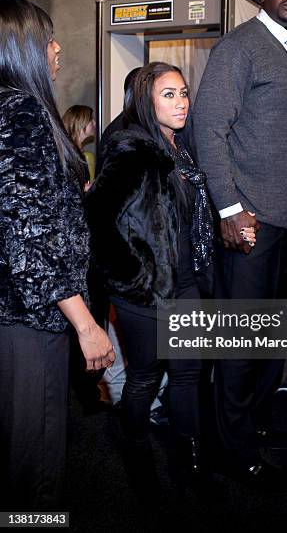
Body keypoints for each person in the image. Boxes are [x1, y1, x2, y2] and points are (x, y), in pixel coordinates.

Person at [85, 62, 239, 489]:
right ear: (146, 102)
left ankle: (190, 465)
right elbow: (96, 219)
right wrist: (133, 276)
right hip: (145, 293)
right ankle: (139, 460)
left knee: (189, 374)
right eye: (169, 94)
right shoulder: (132, 147)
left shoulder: (179, 146)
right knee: (145, 378)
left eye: (184, 93)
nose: (182, 102)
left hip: (186, 283)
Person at [193, 0, 287, 486]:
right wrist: (228, 206)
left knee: (272, 342)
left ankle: (255, 427)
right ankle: (231, 448)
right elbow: (207, 125)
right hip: (252, 225)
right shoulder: (241, 47)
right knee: (241, 345)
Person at [0, 0, 115, 511]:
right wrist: (86, 324)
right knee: (36, 468)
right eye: (47, 39)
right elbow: (32, 236)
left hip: (12, 315)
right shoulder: (22, 112)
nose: (57, 49)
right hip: (30, 318)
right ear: (22, 49)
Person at [62, 104, 96, 183]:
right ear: (81, 122)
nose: (94, 123)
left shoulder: (77, 151)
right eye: (91, 119)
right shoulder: (67, 153)